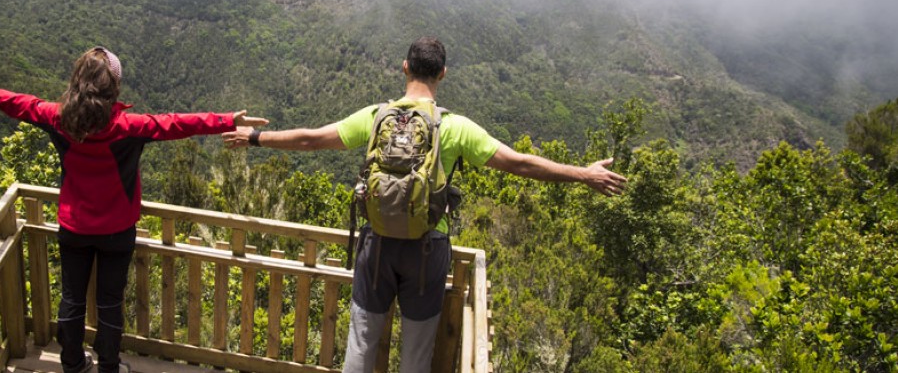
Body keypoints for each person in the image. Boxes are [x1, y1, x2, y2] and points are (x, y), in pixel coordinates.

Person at [222, 37, 626, 372]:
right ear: (443, 74)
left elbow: (311, 139)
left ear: (404, 68)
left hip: (376, 245)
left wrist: (254, 139)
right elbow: (518, 164)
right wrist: (584, 174)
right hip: (428, 249)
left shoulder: (376, 117)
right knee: (416, 354)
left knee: (362, 344)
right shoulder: (454, 127)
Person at [0, 47, 268, 373]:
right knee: (109, 304)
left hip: (74, 227)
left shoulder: (57, 118)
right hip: (117, 230)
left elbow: (12, 101)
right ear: (113, 87)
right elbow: (177, 124)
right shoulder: (128, 126)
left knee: (72, 300)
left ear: (78, 81)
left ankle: (72, 364)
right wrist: (226, 120)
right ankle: (109, 366)